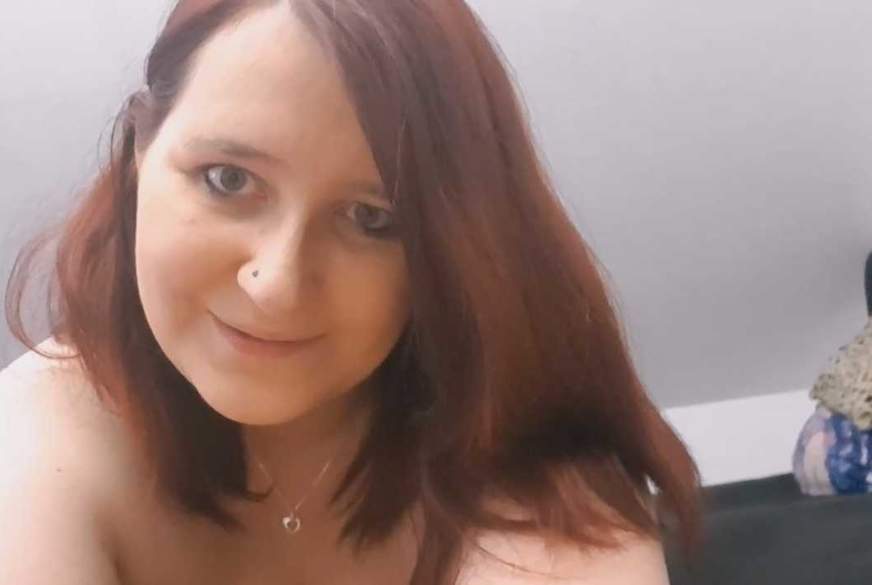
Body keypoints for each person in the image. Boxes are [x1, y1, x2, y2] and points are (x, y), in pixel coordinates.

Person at [0, 1, 700, 583]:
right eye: (228, 180)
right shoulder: (40, 439)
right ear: (138, 154)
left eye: (371, 218)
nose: (277, 284)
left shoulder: (521, 452)